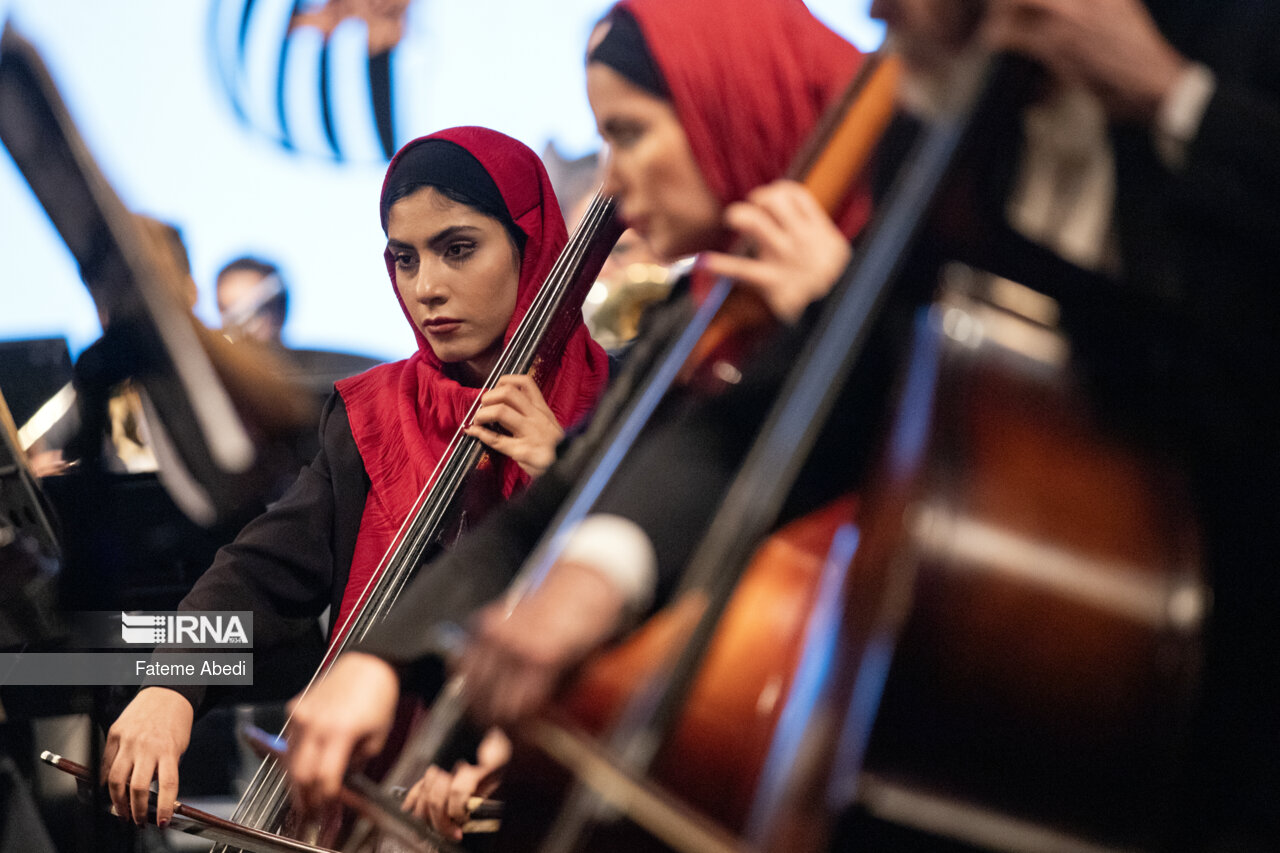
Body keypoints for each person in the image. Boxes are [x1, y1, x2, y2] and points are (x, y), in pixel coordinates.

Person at [291, 0, 1280, 846]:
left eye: (633, 133)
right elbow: (798, 398)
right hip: (1032, 706)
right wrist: (576, 588)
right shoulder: (937, 126)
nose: (871, 13)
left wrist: (1169, 102)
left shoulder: (1224, 39)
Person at [284, 0, 874, 835]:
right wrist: (371, 661)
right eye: (403, 259)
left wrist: (844, 322)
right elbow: (258, 596)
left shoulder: (844, 297)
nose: (427, 287)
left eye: (629, 133)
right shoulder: (693, 318)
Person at [98, 125, 611, 830]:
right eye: (405, 258)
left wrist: (571, 474)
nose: (427, 286)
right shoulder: (371, 413)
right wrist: (170, 682)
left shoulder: (624, 406)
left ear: (531, 243)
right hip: (376, 813)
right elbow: (256, 575)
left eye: (458, 249)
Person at [215, 256, 290, 346]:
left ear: (279, 315)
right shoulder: (203, 357)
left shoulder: (308, 359)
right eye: (228, 311)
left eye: (253, 310)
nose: (241, 322)